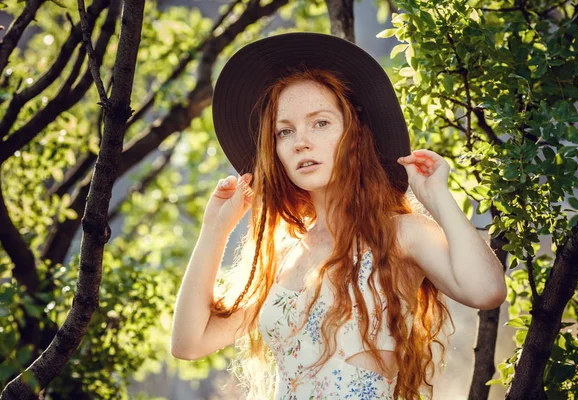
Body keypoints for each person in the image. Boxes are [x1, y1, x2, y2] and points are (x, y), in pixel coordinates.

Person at [171, 32, 507, 400]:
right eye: (285, 131)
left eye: (320, 123)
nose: (301, 141)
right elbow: (189, 343)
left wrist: (439, 198)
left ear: (355, 134)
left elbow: (487, 290)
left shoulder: (399, 234)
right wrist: (214, 229)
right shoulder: (285, 255)